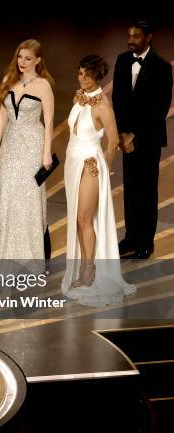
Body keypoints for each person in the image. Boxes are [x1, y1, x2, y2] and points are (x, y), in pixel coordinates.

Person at [61, 55, 136, 306]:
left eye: (87, 75)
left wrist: (104, 163)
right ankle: (83, 268)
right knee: (78, 219)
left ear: (97, 77)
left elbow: (113, 140)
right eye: (80, 72)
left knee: (85, 219)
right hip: (73, 163)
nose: (82, 78)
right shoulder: (79, 97)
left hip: (88, 165)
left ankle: (88, 274)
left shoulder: (102, 105)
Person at [0, 39, 55, 275]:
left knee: (28, 199)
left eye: (27, 58)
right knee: (7, 196)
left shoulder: (44, 86)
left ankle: (29, 260)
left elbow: (49, 121)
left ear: (38, 60)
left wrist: (46, 153)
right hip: (11, 145)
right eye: (20, 57)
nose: (22, 62)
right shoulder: (9, 80)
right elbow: (3, 111)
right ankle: (5, 254)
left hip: (32, 146)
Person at [113, 20, 173, 259]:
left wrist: (134, 133)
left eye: (136, 36)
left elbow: (159, 107)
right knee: (131, 189)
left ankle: (145, 242)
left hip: (147, 139)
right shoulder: (122, 60)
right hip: (126, 138)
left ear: (149, 37)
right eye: (129, 36)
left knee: (146, 191)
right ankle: (130, 238)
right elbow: (118, 98)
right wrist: (121, 132)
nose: (131, 41)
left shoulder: (161, 66)